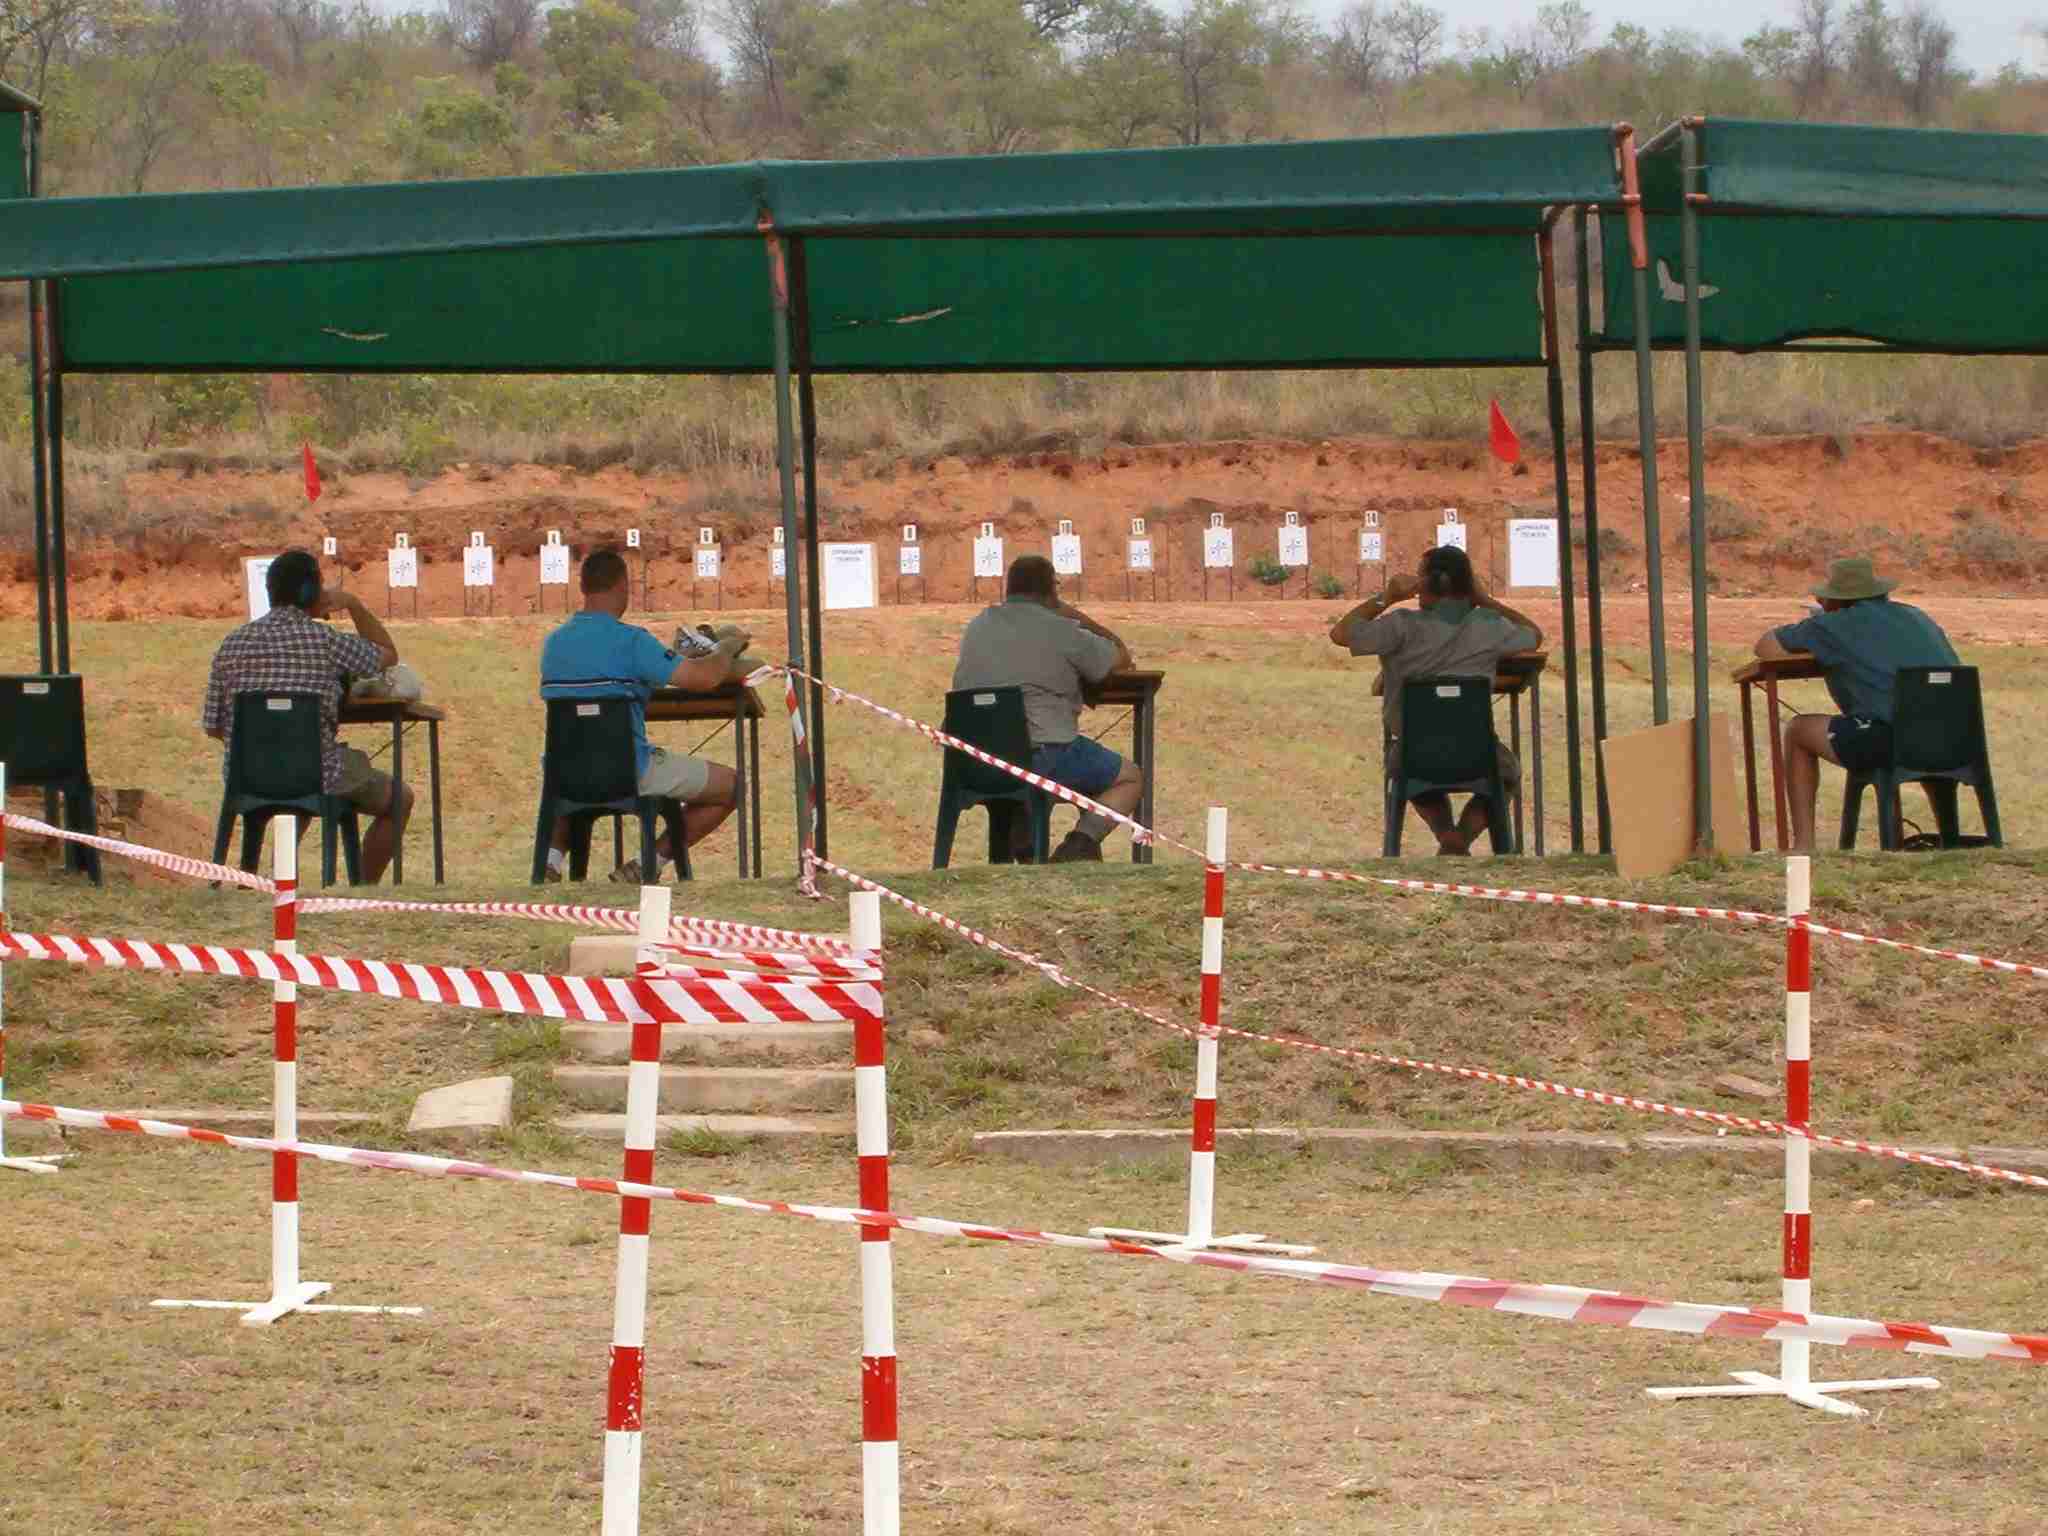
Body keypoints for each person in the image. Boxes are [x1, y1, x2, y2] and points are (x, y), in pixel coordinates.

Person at [202, 548, 415, 884]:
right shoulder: (326, 640)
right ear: (311, 593)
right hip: (316, 776)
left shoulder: (231, 644)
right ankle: (364, 885)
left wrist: (268, 748)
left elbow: (214, 726)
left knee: (295, 776)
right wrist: (353, 604)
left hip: (246, 777)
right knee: (400, 797)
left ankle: (275, 878)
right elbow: (387, 654)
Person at [539, 547, 748, 883]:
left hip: (564, 773)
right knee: (733, 785)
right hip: (627, 771)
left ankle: (550, 863)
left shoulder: (553, 645)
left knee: (575, 761)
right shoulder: (633, 642)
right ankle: (647, 862)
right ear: (624, 586)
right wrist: (726, 647)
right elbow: (705, 678)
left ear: (583, 588)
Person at [1328, 544, 1543, 856]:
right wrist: (1486, 601)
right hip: (1477, 752)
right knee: (1506, 772)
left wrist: (1386, 597)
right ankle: (1461, 837)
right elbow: (1533, 635)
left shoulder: (1399, 626)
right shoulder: (1489, 627)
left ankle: (1447, 836)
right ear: (1468, 586)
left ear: (1423, 586)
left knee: (1410, 769)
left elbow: (1340, 634)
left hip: (1413, 755)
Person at [1753, 555, 1960, 852]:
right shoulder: (1918, 616)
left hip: (1888, 740)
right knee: (1922, 727)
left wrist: (1817, 624)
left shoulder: (1832, 625)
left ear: (1833, 602)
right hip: (1954, 739)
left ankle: (1804, 846)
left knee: (1798, 730)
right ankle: (1949, 837)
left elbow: (1765, 647)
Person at [952, 553, 1141, 863]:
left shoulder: (977, 626)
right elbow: (1118, 655)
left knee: (1043, 772)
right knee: (1130, 778)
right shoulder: (1061, 628)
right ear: (1051, 591)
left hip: (976, 759)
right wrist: (1075, 615)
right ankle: (1079, 845)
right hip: (1037, 756)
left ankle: (1026, 838)